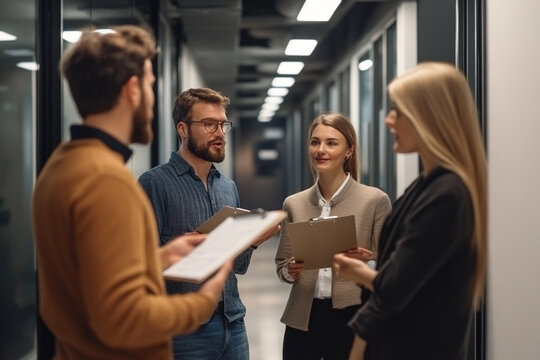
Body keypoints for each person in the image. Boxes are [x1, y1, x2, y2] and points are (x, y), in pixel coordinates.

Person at [32, 26, 232, 360]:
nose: (153, 100)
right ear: (133, 90)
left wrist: (158, 259)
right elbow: (123, 319)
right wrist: (202, 302)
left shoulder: (60, 167)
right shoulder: (106, 181)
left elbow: (90, 285)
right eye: (152, 86)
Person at [333, 62, 487, 360]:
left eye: (398, 111)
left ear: (428, 117)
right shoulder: (427, 185)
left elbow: (394, 288)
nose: (389, 120)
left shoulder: (447, 195)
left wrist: (361, 274)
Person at [138, 87, 277, 360]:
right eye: (209, 124)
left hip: (232, 321)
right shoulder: (154, 184)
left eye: (223, 124)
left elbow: (238, 266)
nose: (219, 133)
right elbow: (143, 267)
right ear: (183, 129)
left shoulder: (228, 187)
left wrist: (252, 242)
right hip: (184, 330)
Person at [275, 114, 392, 360]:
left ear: (349, 150)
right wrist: (291, 270)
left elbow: (388, 269)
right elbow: (282, 265)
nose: (321, 150)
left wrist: (367, 262)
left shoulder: (375, 200)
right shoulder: (293, 203)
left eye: (331, 143)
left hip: (353, 315)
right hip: (303, 317)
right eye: (315, 142)